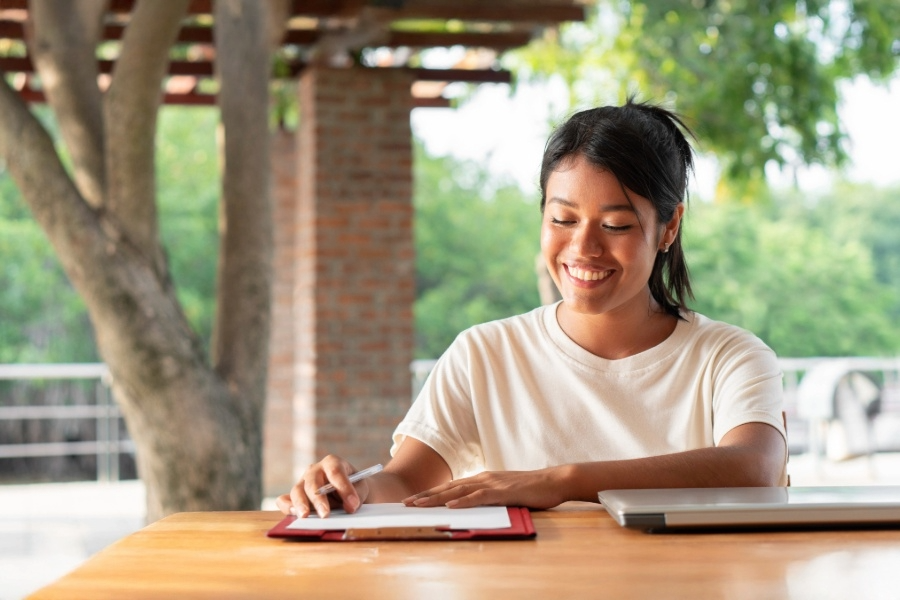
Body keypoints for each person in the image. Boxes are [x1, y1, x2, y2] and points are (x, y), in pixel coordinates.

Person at [276, 98, 787, 519]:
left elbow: (756, 469)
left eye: (615, 226)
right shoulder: (485, 353)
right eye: (562, 219)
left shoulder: (730, 357)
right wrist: (351, 490)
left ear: (669, 227)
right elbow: (407, 480)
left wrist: (562, 481)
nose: (583, 249)